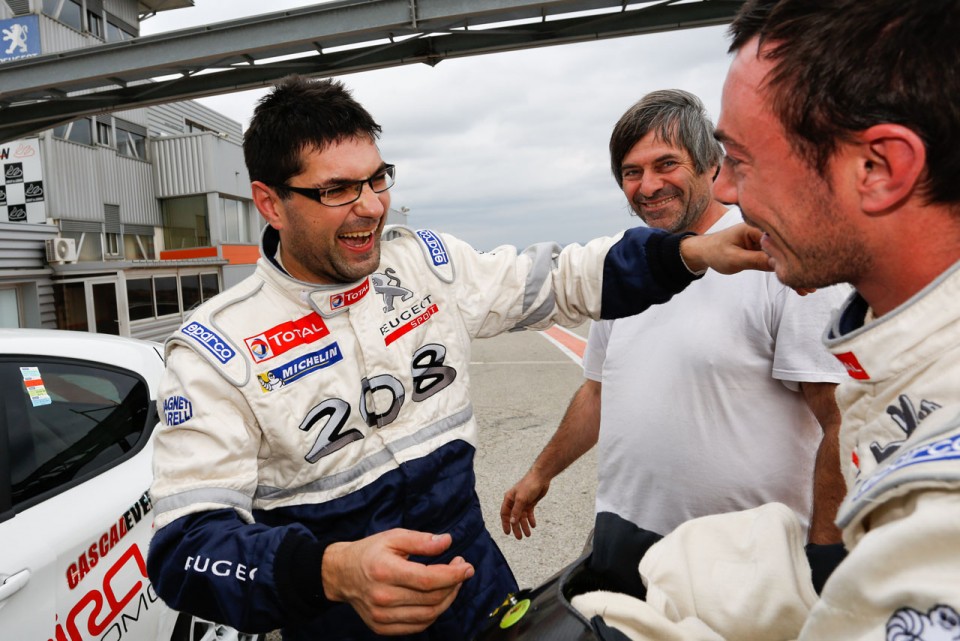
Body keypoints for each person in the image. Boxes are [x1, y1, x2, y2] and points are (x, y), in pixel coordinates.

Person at [144, 75, 772, 641]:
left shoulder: (426, 264)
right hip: (348, 626)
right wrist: (333, 571)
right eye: (337, 189)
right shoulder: (214, 349)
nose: (370, 206)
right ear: (271, 202)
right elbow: (184, 549)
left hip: (481, 601)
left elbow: (564, 278)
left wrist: (686, 254)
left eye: (376, 178)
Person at [568, 1, 960, 639]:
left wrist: (821, 560)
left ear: (878, 167)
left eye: (742, 161)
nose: (725, 192)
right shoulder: (893, 350)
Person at [500, 89, 848, 548]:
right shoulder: (625, 270)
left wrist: (825, 553)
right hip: (622, 538)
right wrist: (539, 474)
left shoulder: (775, 258)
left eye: (666, 165)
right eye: (631, 172)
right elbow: (599, 390)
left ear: (711, 166)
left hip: (746, 558)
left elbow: (844, 420)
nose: (647, 186)